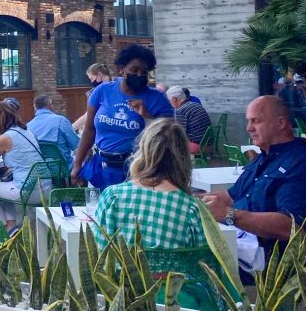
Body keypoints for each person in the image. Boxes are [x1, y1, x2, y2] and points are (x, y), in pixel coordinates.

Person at [203, 96, 306, 280]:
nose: (249, 128)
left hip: (273, 264)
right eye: (248, 121)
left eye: (255, 121)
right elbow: (231, 196)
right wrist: (193, 201)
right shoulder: (263, 157)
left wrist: (230, 215)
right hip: (241, 246)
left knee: (194, 265)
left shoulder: (303, 166)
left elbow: (292, 227)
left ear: (281, 123)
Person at [71, 45, 174, 190]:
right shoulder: (103, 91)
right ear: (121, 69)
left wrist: (147, 117)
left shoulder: (157, 99)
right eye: (134, 70)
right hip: (101, 166)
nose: (139, 75)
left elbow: (169, 138)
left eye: (144, 72)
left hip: (137, 171)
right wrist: (77, 164)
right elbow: (89, 130)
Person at [92, 119, 205, 249]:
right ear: (184, 157)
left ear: (142, 151)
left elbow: (100, 252)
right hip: (172, 270)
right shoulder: (191, 208)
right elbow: (204, 263)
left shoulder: (112, 197)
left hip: (121, 270)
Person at [0, 102, 48, 236]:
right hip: (45, 188)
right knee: (3, 186)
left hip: (27, 191)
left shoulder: (4, 138)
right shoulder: (27, 131)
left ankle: (3, 230)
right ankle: (11, 226)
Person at [27, 94, 79, 174]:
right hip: (64, 170)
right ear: (50, 105)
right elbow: (77, 145)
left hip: (41, 172)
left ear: (35, 107)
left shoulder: (28, 127)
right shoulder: (61, 121)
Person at [166, 85, 212, 154]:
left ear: (174, 99)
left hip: (197, 146)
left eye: (169, 100)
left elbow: (179, 134)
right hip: (208, 144)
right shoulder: (196, 105)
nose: (169, 103)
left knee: (168, 142)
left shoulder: (180, 111)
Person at [72, 63, 111, 133]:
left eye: (92, 78)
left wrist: (70, 129)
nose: (91, 82)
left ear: (100, 75)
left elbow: (87, 116)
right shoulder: (120, 85)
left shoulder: (94, 93)